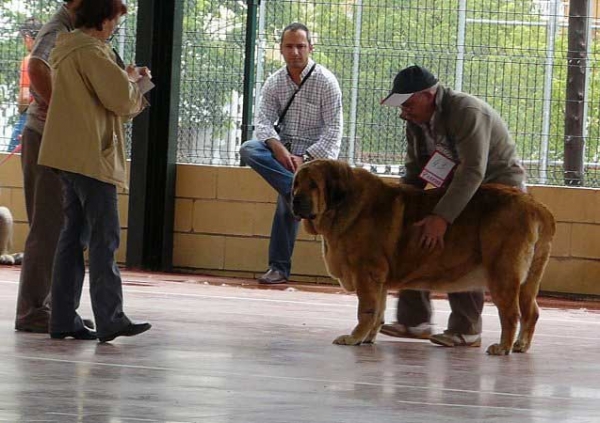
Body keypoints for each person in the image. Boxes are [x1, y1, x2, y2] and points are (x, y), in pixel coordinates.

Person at [379, 65, 526, 347]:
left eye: (408, 104)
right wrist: (398, 205)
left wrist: (442, 217)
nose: (403, 112)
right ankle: (414, 321)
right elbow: (415, 170)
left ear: (427, 96)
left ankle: (466, 329)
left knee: (463, 245)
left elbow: (473, 170)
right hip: (454, 183)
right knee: (412, 230)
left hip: (495, 189)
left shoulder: (466, 111)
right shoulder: (416, 120)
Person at [38, 0, 151, 342]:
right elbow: (122, 101)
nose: (115, 27)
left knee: (73, 236)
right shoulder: (93, 52)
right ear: (103, 20)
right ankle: (110, 317)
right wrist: (137, 82)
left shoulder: (67, 49)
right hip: (91, 157)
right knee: (105, 237)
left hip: (66, 155)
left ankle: (62, 318)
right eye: (115, 20)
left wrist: (124, 79)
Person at [239, 22, 343, 285]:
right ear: (281, 50)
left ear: (310, 48)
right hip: (283, 155)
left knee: (287, 208)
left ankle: (278, 267)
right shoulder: (274, 83)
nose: (295, 51)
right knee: (249, 148)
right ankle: (293, 192)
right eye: (289, 46)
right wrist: (278, 148)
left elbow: (334, 130)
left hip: (315, 157)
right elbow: (262, 122)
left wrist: (305, 159)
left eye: (300, 46)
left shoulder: (326, 81)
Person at [14, 0, 88, 333]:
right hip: (44, 136)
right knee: (46, 227)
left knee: (59, 226)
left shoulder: (71, 31)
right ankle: (32, 311)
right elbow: (37, 67)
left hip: (51, 138)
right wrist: (63, 108)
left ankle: (54, 309)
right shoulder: (57, 29)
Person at [8, 17, 42, 153]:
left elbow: (24, 98)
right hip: (47, 117)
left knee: (11, 156)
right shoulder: (51, 58)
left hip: (29, 117)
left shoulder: (30, 61)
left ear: (27, 37)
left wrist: (20, 108)